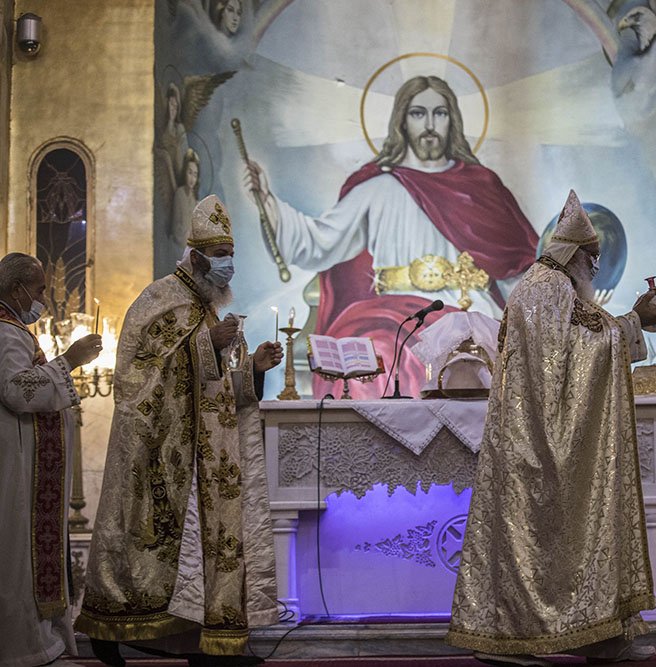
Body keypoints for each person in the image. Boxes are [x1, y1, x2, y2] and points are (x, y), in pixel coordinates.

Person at [446, 190, 656, 666]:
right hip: (539, 445)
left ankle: (597, 633)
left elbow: (580, 344)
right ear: (573, 255)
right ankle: (519, 636)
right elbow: (576, 355)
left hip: (540, 436)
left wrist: (631, 323)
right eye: (592, 258)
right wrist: (636, 319)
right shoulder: (547, 288)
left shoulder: (549, 288)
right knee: (543, 541)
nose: (595, 269)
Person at [75, 195, 284, 667]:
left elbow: (216, 390)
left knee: (205, 551)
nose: (227, 270)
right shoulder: (159, 299)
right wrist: (205, 345)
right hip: (163, 456)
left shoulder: (207, 306)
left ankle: (207, 642)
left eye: (230, 260)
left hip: (207, 457)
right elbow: (136, 378)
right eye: (220, 261)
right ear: (194, 258)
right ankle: (111, 629)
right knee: (156, 550)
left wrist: (252, 368)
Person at [244, 74, 539, 399]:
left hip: (468, 311)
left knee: (486, 358)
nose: (429, 124)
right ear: (402, 121)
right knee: (378, 358)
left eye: (439, 113)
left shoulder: (482, 187)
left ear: (451, 119)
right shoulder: (377, 188)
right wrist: (268, 201)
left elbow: (517, 268)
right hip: (391, 316)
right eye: (418, 113)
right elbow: (318, 244)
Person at [0, 252, 103, 667]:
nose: (43, 298)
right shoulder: (6, 333)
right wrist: (70, 361)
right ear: (16, 288)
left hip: (26, 467)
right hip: (15, 470)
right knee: (16, 557)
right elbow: (18, 391)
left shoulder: (15, 331)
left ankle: (37, 642)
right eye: (40, 289)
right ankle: (21, 647)